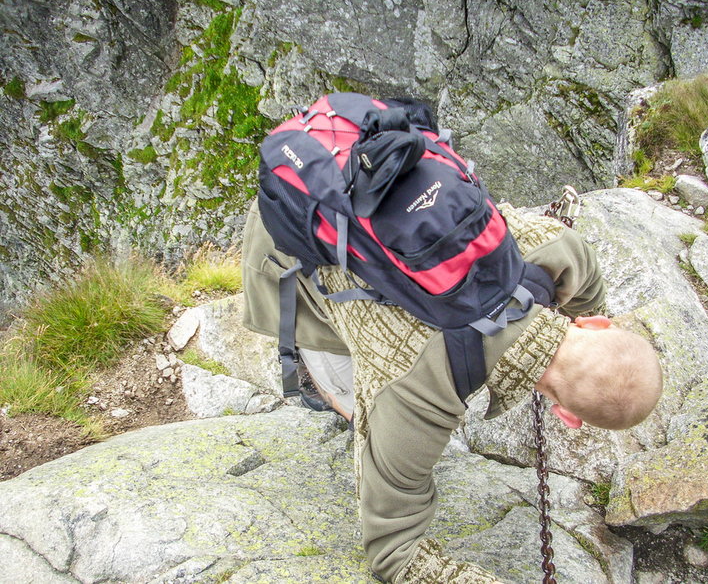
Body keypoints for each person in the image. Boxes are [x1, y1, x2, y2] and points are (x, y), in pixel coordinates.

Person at [241, 198, 663, 583]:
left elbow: (588, 296)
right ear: (567, 417)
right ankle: (352, 412)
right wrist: (388, 435)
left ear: (597, 327)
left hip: (333, 181)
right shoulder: (414, 395)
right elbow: (394, 555)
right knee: (352, 395)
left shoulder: (562, 251)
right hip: (285, 242)